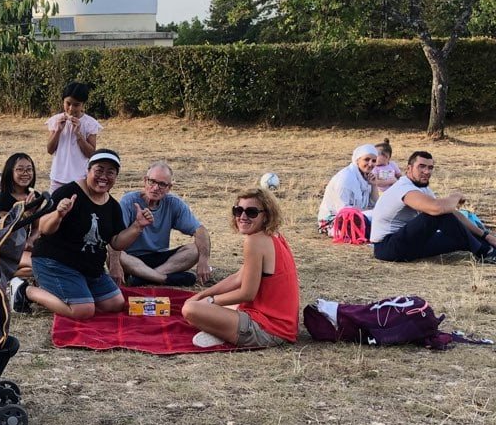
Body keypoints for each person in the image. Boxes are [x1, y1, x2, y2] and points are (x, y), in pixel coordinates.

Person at [10, 150, 154, 319]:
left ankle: (73, 289)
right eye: (99, 170)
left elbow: (116, 242)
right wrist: (58, 214)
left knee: (114, 304)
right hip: (55, 262)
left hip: (90, 269)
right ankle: (24, 290)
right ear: (88, 170)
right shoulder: (68, 192)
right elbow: (43, 228)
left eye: (110, 172)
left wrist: (137, 227)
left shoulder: (113, 206)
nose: (104, 176)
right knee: (83, 310)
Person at [182, 188, 299, 348]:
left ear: (266, 216)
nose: (243, 217)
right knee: (202, 304)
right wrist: (203, 294)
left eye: (251, 212)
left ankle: (223, 333)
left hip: (269, 330)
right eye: (238, 210)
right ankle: (223, 328)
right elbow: (238, 277)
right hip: (282, 325)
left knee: (190, 310)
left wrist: (210, 301)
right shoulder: (272, 236)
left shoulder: (254, 242)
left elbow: (247, 293)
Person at [370, 151, 496, 263]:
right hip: (387, 247)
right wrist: (456, 196)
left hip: (409, 244)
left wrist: (485, 235)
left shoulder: (422, 188)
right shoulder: (404, 188)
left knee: (458, 237)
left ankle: (489, 245)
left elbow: (452, 212)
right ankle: (486, 253)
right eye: (421, 166)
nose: (427, 171)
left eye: (430, 167)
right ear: (409, 168)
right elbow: (438, 209)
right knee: (436, 213)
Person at [117, 161, 212, 286]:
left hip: (160, 257)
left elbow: (200, 230)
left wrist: (204, 260)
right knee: (118, 255)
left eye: (162, 184)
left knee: (195, 249)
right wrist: (137, 226)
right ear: (145, 181)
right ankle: (164, 279)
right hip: (132, 259)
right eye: (152, 181)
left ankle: (146, 278)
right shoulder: (128, 201)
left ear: (169, 188)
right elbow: (114, 238)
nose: (156, 188)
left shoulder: (174, 203)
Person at [0, 152, 42, 279]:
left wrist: (31, 240)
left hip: (24, 247)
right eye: (20, 169)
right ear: (10, 172)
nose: (25, 173)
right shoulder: (3, 198)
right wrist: (25, 211)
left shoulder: (35, 196)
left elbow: (37, 228)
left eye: (29, 169)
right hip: (6, 250)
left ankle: (6, 273)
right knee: (38, 266)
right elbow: (8, 230)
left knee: (48, 263)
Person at [45, 82, 101, 192]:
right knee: (55, 208)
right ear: (63, 102)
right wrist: (58, 131)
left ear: (83, 104)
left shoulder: (90, 123)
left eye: (76, 105)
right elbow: (50, 150)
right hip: (58, 177)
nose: (71, 108)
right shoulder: (56, 120)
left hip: (81, 179)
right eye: (68, 103)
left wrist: (79, 135)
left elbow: (91, 154)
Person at [317, 144, 378, 231]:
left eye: (374, 161)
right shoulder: (346, 178)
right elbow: (342, 210)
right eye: (366, 159)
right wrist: (366, 211)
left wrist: (373, 185)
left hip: (358, 215)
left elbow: (374, 204)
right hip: (334, 221)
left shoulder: (366, 177)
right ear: (357, 160)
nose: (370, 164)